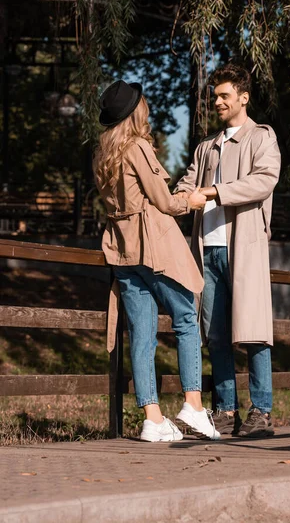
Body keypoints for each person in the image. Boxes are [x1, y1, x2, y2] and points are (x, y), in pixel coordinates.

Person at [94, 79, 220, 442]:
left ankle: (152, 418)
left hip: (121, 249)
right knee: (185, 316)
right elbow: (165, 203)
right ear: (137, 112)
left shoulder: (103, 152)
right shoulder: (137, 148)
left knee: (142, 335)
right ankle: (194, 406)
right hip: (151, 247)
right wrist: (191, 201)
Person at [174, 64, 281, 437]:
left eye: (224, 96)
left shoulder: (262, 139)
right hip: (208, 252)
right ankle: (224, 411)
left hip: (244, 251)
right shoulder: (207, 147)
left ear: (243, 98)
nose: (217, 101)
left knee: (252, 331)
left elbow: (263, 181)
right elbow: (185, 188)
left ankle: (262, 412)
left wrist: (214, 192)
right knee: (215, 335)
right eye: (214, 96)